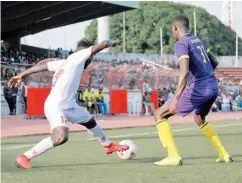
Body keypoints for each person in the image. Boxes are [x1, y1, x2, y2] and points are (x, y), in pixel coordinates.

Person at [8, 38, 129, 169]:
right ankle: (24, 157)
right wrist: (114, 42)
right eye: (91, 56)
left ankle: (108, 145)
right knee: (61, 137)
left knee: (90, 121)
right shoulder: (78, 57)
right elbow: (102, 44)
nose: (91, 60)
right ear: (87, 54)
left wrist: (21, 74)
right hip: (56, 106)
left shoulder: (64, 62)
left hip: (70, 105)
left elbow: (42, 66)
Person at [153, 15, 233, 166]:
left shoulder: (181, 44)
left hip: (198, 88)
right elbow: (214, 61)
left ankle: (173, 156)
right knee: (199, 119)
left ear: (175, 28)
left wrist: (176, 98)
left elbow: (184, 73)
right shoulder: (198, 41)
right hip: (213, 87)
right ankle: (223, 154)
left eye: (172, 30)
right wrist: (206, 76)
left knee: (160, 114)